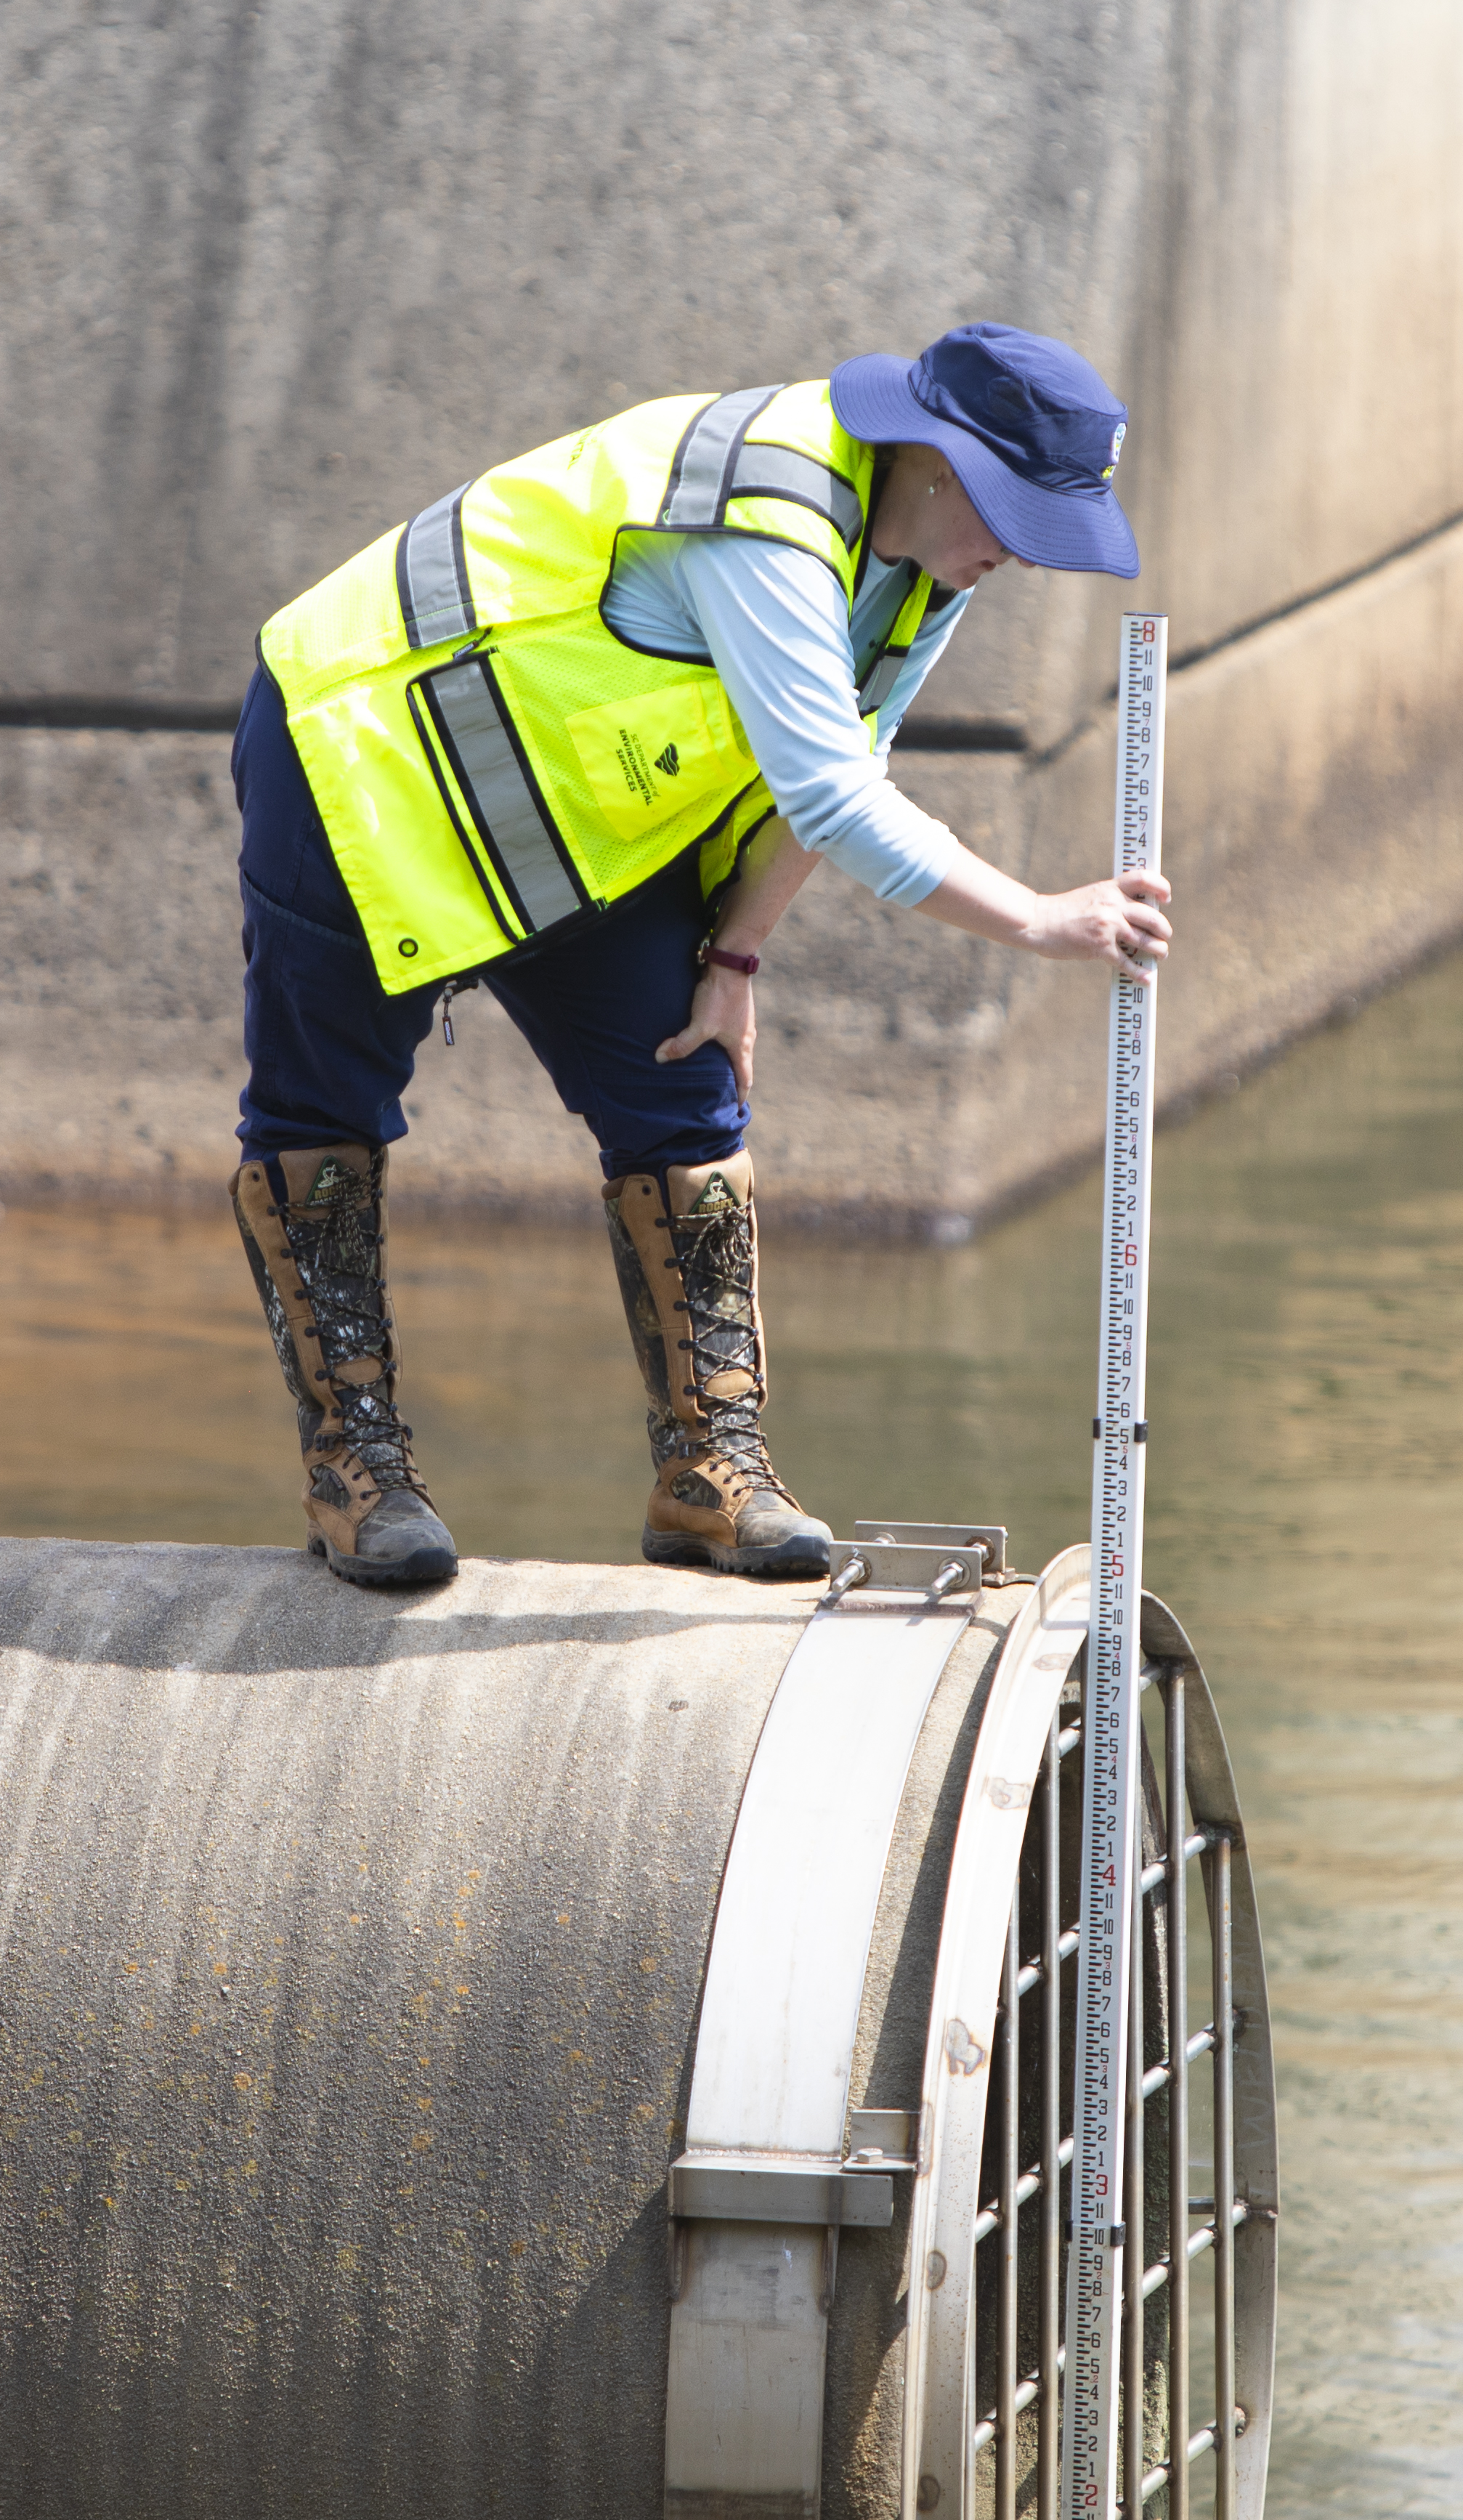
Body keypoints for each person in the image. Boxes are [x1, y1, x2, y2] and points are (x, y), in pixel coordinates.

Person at [228, 319, 1175, 1588]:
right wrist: (1039, 920)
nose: (1017, 556)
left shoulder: (923, 565)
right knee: (322, 1108)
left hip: (573, 806)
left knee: (685, 1098)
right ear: (937, 458)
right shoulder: (765, 511)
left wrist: (734, 961)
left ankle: (711, 1471)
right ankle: (358, 1473)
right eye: (1013, 513)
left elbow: (848, 750)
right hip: (368, 755)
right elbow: (836, 795)